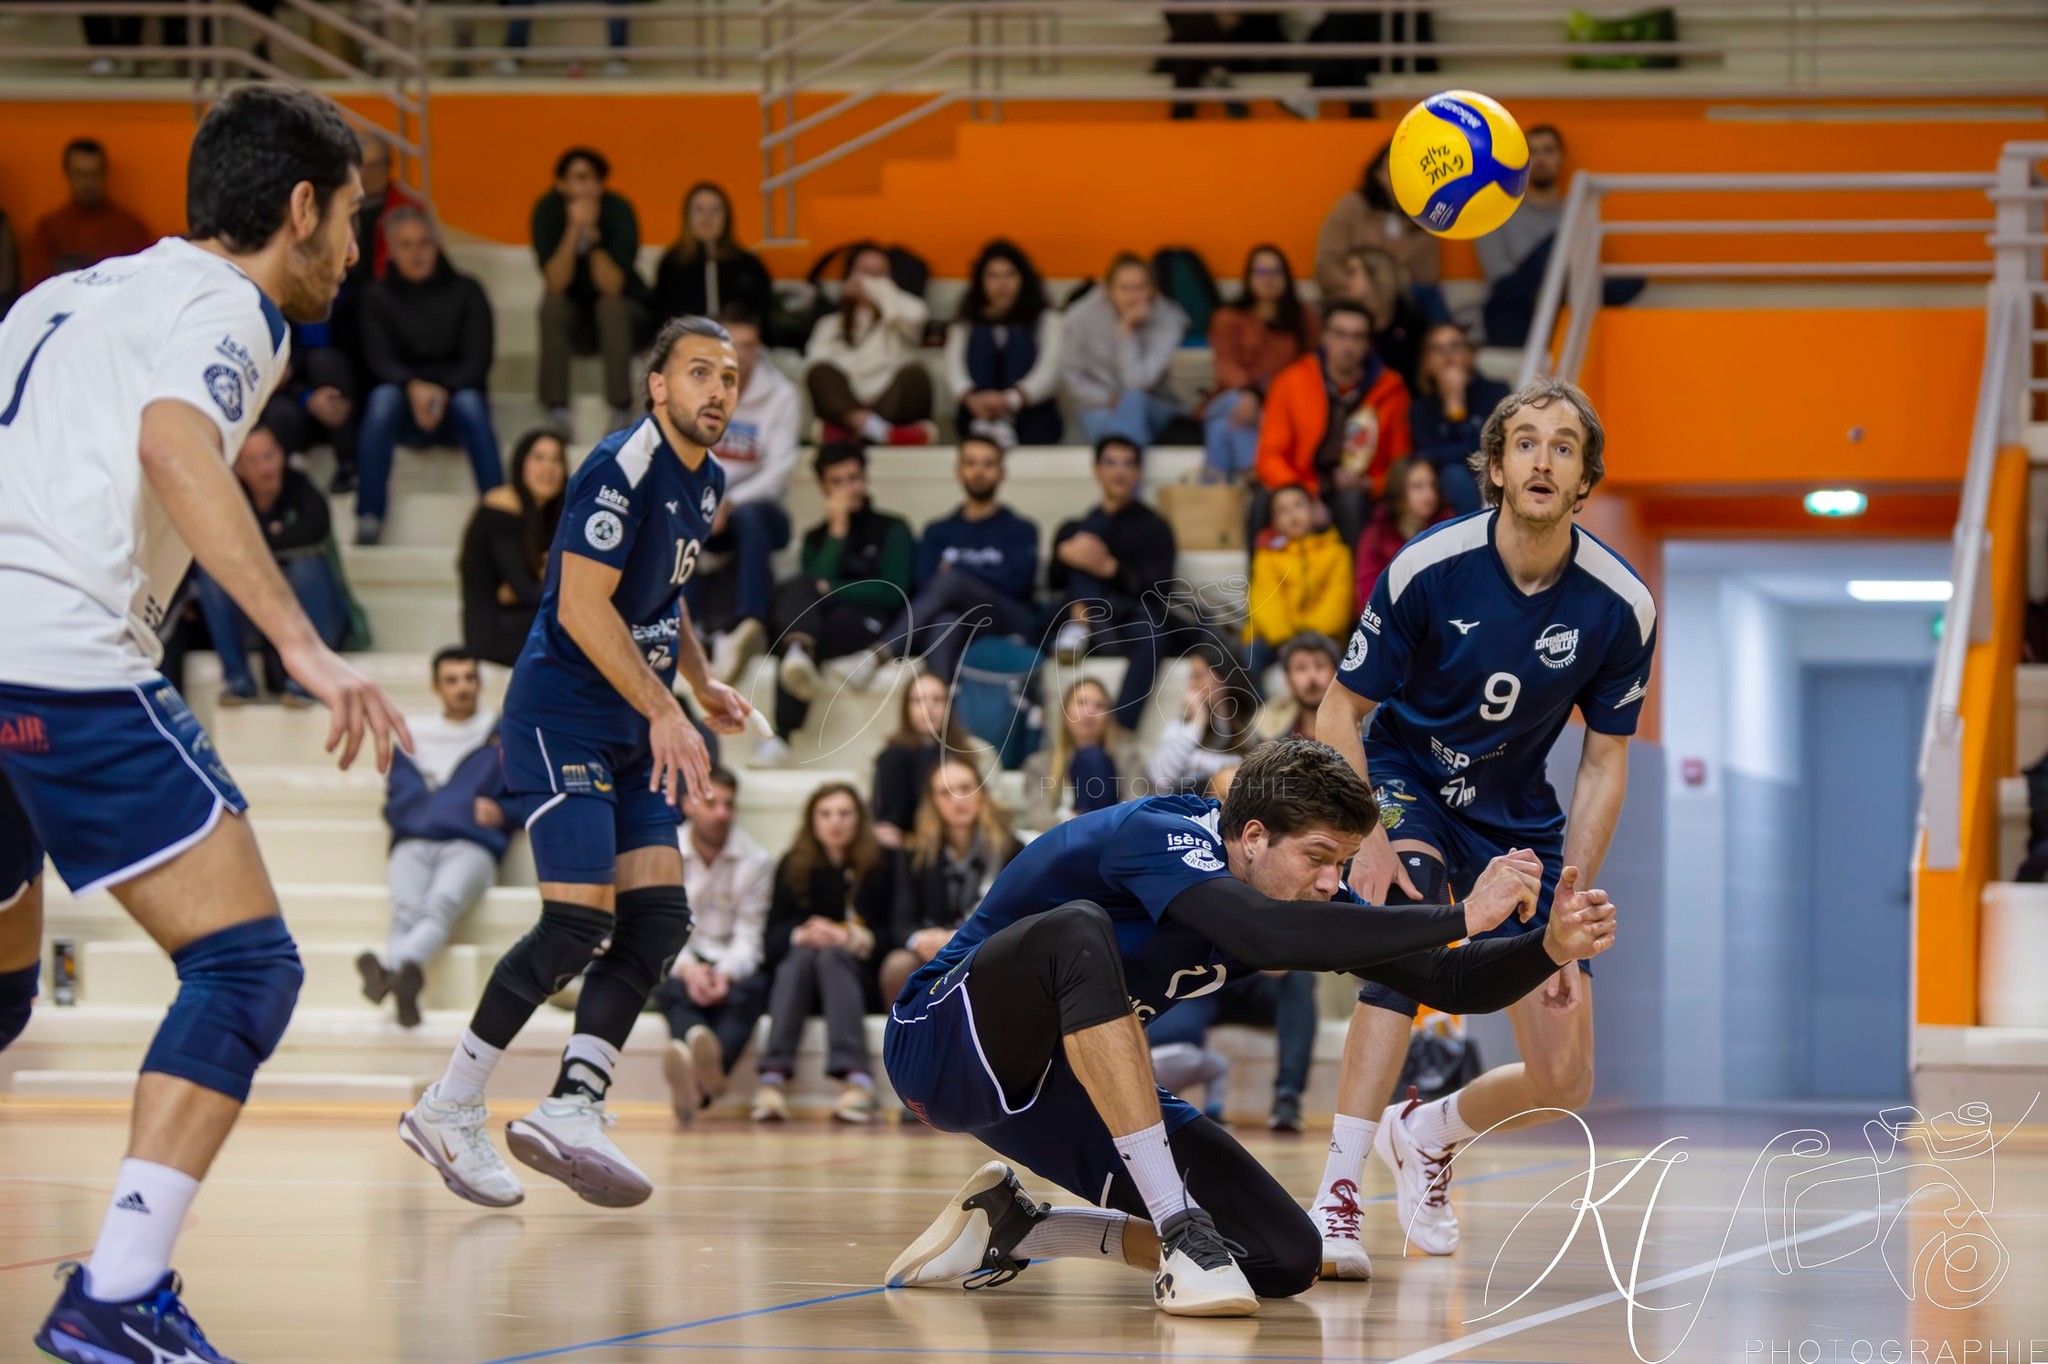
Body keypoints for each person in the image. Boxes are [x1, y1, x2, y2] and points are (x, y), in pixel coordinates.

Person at [1, 84, 409, 1361]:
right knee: (246, 966)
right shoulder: (232, 307)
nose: (354, 251)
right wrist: (302, 644)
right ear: (298, 210)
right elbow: (176, 440)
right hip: (58, 653)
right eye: (350, 220)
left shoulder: (57, 299)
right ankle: (116, 1293)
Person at [882, 739, 1616, 1316]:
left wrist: (1548, 946)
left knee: (1281, 1254)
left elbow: (1448, 979)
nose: (1332, 883)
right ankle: (1180, 1230)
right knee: (1080, 931)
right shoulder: (1156, 833)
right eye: (1320, 859)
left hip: (1066, 1085)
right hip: (943, 1043)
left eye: (1345, 862)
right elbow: (1267, 937)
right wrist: (1462, 914)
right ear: (1254, 836)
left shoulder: (1285, 889)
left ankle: (1021, 1227)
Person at [398, 315, 753, 1213]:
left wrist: (701, 685)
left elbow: (663, 600)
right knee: (575, 922)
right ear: (658, 386)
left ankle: (575, 1103)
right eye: (701, 373)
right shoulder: (617, 465)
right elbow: (588, 608)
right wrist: (667, 707)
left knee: (660, 919)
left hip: (634, 727)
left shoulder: (707, 479)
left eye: (732, 377)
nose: (720, 390)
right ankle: (449, 1106)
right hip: (561, 718)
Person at [1311, 376, 1656, 1281]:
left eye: (1565, 446)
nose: (1544, 458)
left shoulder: (1620, 605)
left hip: (1515, 809)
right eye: (1527, 442)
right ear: (1496, 467)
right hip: (1406, 778)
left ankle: (1427, 1134)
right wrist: (1369, 835)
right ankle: (1337, 1193)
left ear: (1585, 481)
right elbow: (1337, 712)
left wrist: (1568, 902)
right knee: (1408, 936)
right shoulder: (1430, 567)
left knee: (1564, 1080)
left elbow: (1606, 760)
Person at [357, 648, 508, 1029]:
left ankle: (388, 974)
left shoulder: (502, 734)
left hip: (471, 847)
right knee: (406, 910)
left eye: (469, 678)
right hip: (414, 842)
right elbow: (397, 806)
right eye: (452, 680)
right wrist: (459, 808)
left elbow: (525, 793)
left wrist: (503, 813)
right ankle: (401, 984)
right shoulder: (411, 737)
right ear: (436, 687)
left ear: (480, 683)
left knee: (439, 904)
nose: (462, 688)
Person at [758, 442, 917, 765]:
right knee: (796, 593)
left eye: (854, 478)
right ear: (823, 487)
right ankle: (800, 651)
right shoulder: (818, 537)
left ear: (865, 479)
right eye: (838, 482)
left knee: (799, 628)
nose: (848, 488)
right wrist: (838, 531)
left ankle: (783, 733)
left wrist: (829, 587)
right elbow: (809, 589)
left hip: (869, 624)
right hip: (821, 626)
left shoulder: (894, 528)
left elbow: (892, 592)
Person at [354, 206, 502, 545]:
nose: (416, 253)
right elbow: (377, 359)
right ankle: (369, 516)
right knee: (382, 399)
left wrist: (442, 390)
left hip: (455, 408)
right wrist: (413, 387)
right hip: (403, 411)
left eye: (424, 243)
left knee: (470, 402)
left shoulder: (467, 291)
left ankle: (499, 514)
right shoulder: (377, 297)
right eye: (406, 245)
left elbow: (478, 359)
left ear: (437, 245)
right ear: (391, 250)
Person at [751, 782, 893, 1125]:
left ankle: (858, 1081)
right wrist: (803, 934)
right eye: (825, 814)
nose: (835, 822)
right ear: (812, 821)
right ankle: (773, 1078)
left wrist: (847, 937)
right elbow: (770, 942)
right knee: (801, 955)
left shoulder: (882, 864)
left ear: (859, 819)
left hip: (858, 983)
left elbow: (893, 936)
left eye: (845, 814)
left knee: (831, 956)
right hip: (799, 983)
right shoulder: (792, 864)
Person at [853, 436, 1040, 685]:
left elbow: (1017, 584)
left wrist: (959, 572)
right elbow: (925, 587)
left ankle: (880, 653)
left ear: (1001, 472)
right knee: (944, 621)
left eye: (988, 464)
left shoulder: (1022, 529)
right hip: (955, 619)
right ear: (958, 470)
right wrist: (979, 575)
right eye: (971, 463)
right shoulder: (937, 531)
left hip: (1005, 620)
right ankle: (941, 711)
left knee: (951, 581)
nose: (979, 471)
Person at [196, 424, 351, 707]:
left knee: (306, 565)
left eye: (269, 456)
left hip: (315, 618)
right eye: (252, 461)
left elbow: (314, 531)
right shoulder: (230, 497)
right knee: (211, 573)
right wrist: (277, 539)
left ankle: (308, 681)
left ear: (281, 455)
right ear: (238, 468)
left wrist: (252, 546)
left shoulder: (301, 487)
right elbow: (213, 541)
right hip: (262, 618)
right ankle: (238, 681)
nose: (264, 468)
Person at [655, 766, 774, 1124]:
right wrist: (689, 968)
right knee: (671, 986)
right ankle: (707, 1070)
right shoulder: (664, 852)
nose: (721, 813)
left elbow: (750, 936)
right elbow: (662, 928)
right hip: (680, 957)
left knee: (748, 992)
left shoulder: (756, 859)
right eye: (711, 803)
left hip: (728, 958)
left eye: (728, 804)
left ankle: (694, 1064)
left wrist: (723, 973)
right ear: (688, 804)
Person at [1048, 435, 1179, 731]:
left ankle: (1120, 730)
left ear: (1138, 473)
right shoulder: (1080, 525)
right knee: (1081, 539)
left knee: (1151, 634)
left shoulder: (1154, 526)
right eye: (1110, 463)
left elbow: (1160, 590)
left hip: (1123, 621)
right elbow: (1053, 580)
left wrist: (1113, 569)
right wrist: (1063, 552)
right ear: (1097, 470)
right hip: (1080, 618)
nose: (1119, 471)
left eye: (1127, 464)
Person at [698, 305, 801, 684]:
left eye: (751, 345)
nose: (743, 353)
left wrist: (731, 500)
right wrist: (707, 501)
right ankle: (682, 627)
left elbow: (780, 469)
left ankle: (748, 621)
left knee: (751, 515)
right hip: (707, 507)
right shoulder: (695, 390)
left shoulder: (781, 396)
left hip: (762, 515)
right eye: (733, 345)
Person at [1255, 299, 1411, 545]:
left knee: (1351, 500)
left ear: (1368, 344)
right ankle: (1259, 583)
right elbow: (1269, 456)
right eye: (1339, 334)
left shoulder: (1391, 389)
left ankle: (1358, 584)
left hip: (1359, 492)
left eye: (1357, 337)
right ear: (1324, 337)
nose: (1347, 345)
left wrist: (1369, 483)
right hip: (1302, 483)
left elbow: (1401, 465)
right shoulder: (1291, 381)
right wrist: (1303, 496)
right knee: (1262, 502)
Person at [879, 756, 1018, 1002]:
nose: (958, 800)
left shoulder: (1011, 850)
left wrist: (955, 939)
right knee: (898, 965)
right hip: (934, 951)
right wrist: (920, 940)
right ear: (933, 802)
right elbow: (901, 922)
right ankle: (906, 1040)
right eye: (946, 792)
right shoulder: (915, 855)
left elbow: (1016, 918)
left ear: (981, 793)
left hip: (989, 949)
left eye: (966, 788)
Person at [532, 147, 648, 435]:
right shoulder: (547, 211)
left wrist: (594, 240)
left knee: (610, 305)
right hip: (576, 323)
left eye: (596, 179)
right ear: (561, 184)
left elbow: (613, 285)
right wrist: (574, 230)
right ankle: (557, 410)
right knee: (552, 304)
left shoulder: (618, 210)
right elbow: (556, 282)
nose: (589, 187)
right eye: (580, 178)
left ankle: (621, 407)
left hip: (626, 319)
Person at [1144, 968, 1320, 1133]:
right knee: (1172, 1020)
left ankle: (1287, 1096)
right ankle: (1150, 1102)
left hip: (1251, 982)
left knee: (1300, 977)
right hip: (1202, 979)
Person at [1203, 244, 1316, 482]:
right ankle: (1257, 475)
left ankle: (1218, 490)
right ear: (1249, 277)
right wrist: (1250, 393)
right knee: (1240, 403)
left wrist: (1270, 399)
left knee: (1222, 429)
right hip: (1232, 397)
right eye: (1261, 272)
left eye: (1276, 272)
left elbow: (1311, 365)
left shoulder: (1303, 318)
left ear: (1287, 277)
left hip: (1282, 404)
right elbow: (1225, 364)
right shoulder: (1228, 316)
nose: (1269, 279)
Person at [804, 244, 934, 446]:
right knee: (819, 373)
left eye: (879, 274)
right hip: (846, 402)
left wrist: (879, 292)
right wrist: (855, 404)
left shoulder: (900, 316)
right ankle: (878, 431)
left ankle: (853, 431)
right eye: (864, 272)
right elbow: (818, 366)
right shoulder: (829, 324)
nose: (870, 281)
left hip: (888, 404)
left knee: (916, 375)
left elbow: (917, 314)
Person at [459, 427, 568, 667]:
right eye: (539, 458)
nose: (548, 469)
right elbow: (527, 590)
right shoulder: (501, 509)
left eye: (556, 460)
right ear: (521, 463)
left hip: (524, 615)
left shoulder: (550, 512)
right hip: (494, 629)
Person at [1061, 252, 1189, 447]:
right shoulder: (1081, 316)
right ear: (1108, 290)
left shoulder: (1169, 319)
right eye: (1125, 288)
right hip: (1098, 404)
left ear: (1153, 288)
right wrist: (1107, 399)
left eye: (1141, 287)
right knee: (1111, 427)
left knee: (1134, 402)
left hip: (1154, 405)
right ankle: (1127, 471)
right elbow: (1069, 375)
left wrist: (1126, 332)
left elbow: (1137, 384)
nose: (1134, 296)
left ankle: (1122, 470)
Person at [945, 238, 1064, 447]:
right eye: (993, 276)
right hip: (977, 413)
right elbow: (953, 365)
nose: (1002, 284)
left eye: (1010, 275)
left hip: (1030, 414)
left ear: (1023, 279)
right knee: (981, 333)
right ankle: (989, 425)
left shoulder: (1046, 318)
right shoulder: (967, 320)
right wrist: (972, 398)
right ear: (981, 281)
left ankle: (1003, 423)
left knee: (1017, 334)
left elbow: (1051, 371)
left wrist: (1009, 400)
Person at [1314, 142, 1444, 320]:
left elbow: (1427, 277)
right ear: (1377, 173)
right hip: (1354, 296)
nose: (1400, 176)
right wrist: (1353, 285)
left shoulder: (1426, 217)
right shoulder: (1352, 206)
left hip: (1404, 300)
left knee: (1429, 300)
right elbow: (1326, 263)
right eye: (1394, 169)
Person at [1245, 482, 1354, 685]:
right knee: (1247, 658)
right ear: (1274, 521)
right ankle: (1259, 715)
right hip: (1277, 640)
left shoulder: (1338, 553)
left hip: (1324, 638)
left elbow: (1338, 603)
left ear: (1314, 511)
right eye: (1282, 510)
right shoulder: (1266, 556)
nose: (1293, 514)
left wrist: (1308, 635)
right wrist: (1287, 639)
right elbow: (1265, 602)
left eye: (1299, 505)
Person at [870, 673, 986, 850]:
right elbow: (889, 827)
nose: (929, 708)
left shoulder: (968, 752)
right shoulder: (894, 757)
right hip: (915, 851)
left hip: (968, 844)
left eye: (937, 699)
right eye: (919, 701)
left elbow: (984, 809)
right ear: (906, 709)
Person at [1020, 676, 1150, 830]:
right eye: (1081, 703)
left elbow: (1140, 807)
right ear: (1064, 713)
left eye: (1099, 706)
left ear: (1108, 716)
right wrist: (1071, 822)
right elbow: (1039, 817)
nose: (1089, 712)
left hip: (1118, 834)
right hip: (1066, 841)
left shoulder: (1129, 757)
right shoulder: (1039, 764)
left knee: (1091, 757)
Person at [1410, 322, 1508, 516]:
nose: (1447, 355)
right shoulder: (1420, 409)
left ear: (1469, 354)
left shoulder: (1496, 393)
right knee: (1453, 475)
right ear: (1427, 362)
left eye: (1455, 346)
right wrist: (1455, 408)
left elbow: (1493, 449)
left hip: (1493, 477)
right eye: (1438, 349)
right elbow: (1428, 458)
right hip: (1445, 488)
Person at [28, 139, 152, 285]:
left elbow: (144, 281)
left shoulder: (131, 229)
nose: (88, 183)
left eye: (94, 174)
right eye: (81, 174)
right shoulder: (49, 229)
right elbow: (36, 285)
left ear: (104, 173)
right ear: (67, 174)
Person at [651, 182, 773, 324]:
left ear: (727, 217)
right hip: (687, 340)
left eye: (715, 210)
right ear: (687, 216)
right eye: (699, 210)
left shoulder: (748, 265)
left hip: (737, 340)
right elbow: (662, 315)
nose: (707, 218)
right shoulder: (672, 263)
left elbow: (763, 312)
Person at [1150, 645, 1260, 796]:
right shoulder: (1182, 727)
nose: (1191, 685)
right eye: (1190, 677)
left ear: (1224, 677)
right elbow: (1162, 780)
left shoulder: (1249, 729)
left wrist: (1194, 761)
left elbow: (1242, 770)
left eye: (1198, 676)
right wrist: (1198, 720)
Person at [1354, 455, 1453, 608]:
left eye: (1433, 485)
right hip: (1392, 624)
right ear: (1399, 489)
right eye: (1418, 486)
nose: (1429, 494)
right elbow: (1368, 596)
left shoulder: (1449, 529)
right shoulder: (1375, 536)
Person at [1342, 246, 1430, 391]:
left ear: (1377, 276)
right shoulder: (1345, 317)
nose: (1345, 280)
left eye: (1352, 272)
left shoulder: (1410, 318)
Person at [1255, 632, 1339, 742]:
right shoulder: (1269, 730)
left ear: (1335, 674)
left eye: (1320, 665)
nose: (1312, 676)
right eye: (1301, 668)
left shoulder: (1359, 728)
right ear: (1288, 680)